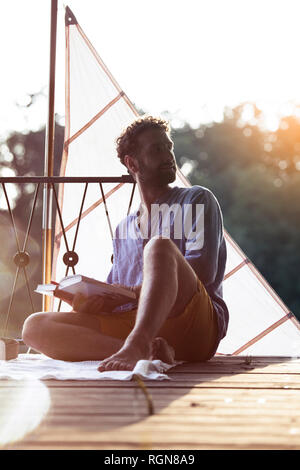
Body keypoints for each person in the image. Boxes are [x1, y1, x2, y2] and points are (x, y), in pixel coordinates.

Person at [22, 116, 229, 371]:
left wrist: (133, 293)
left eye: (169, 147)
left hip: (193, 322)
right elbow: (118, 294)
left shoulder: (197, 198)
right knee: (35, 326)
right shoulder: (124, 228)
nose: (168, 155)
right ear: (133, 163)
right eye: (157, 149)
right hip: (141, 326)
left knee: (159, 247)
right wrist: (90, 303)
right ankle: (149, 352)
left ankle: (138, 344)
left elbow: (203, 271)